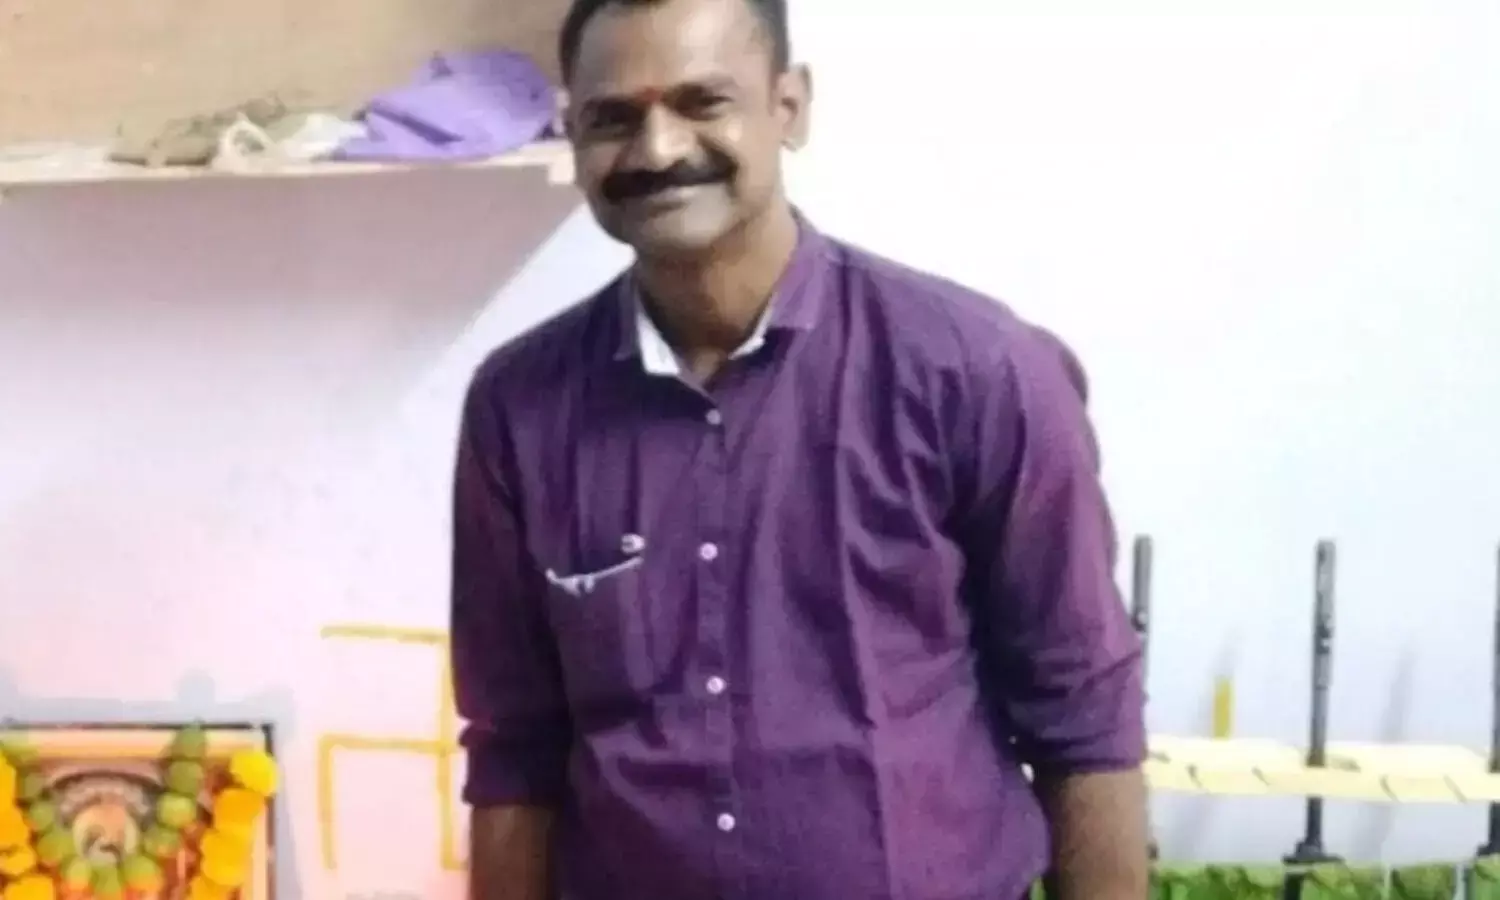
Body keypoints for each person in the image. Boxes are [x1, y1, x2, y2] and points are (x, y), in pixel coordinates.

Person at [449, 0, 1149, 896]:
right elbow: (515, 745)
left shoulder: (976, 369)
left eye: (703, 102)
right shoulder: (519, 408)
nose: (657, 149)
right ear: (574, 136)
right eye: (613, 118)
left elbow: (1084, 712)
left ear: (789, 107)